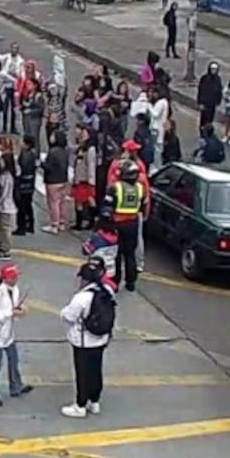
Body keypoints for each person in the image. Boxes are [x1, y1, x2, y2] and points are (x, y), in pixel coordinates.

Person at [60, 258, 114, 418]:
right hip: (101, 339)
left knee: (82, 373)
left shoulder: (81, 298)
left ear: (84, 279)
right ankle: (94, 401)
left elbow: (68, 316)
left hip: (83, 341)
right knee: (96, 370)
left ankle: (80, 405)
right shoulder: (106, 291)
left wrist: (62, 311)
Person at [0, 266, 33, 406]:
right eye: (14, 277)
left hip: (8, 333)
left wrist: (20, 310)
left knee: (13, 359)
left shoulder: (14, 290)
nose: (16, 279)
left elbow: (14, 307)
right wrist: (10, 313)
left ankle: (16, 386)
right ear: (6, 279)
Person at [101, 160, 146, 292]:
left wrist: (103, 225)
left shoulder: (115, 188)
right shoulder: (140, 188)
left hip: (117, 224)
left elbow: (106, 210)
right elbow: (142, 205)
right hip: (133, 223)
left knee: (116, 254)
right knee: (130, 254)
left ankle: (115, 281)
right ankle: (131, 282)